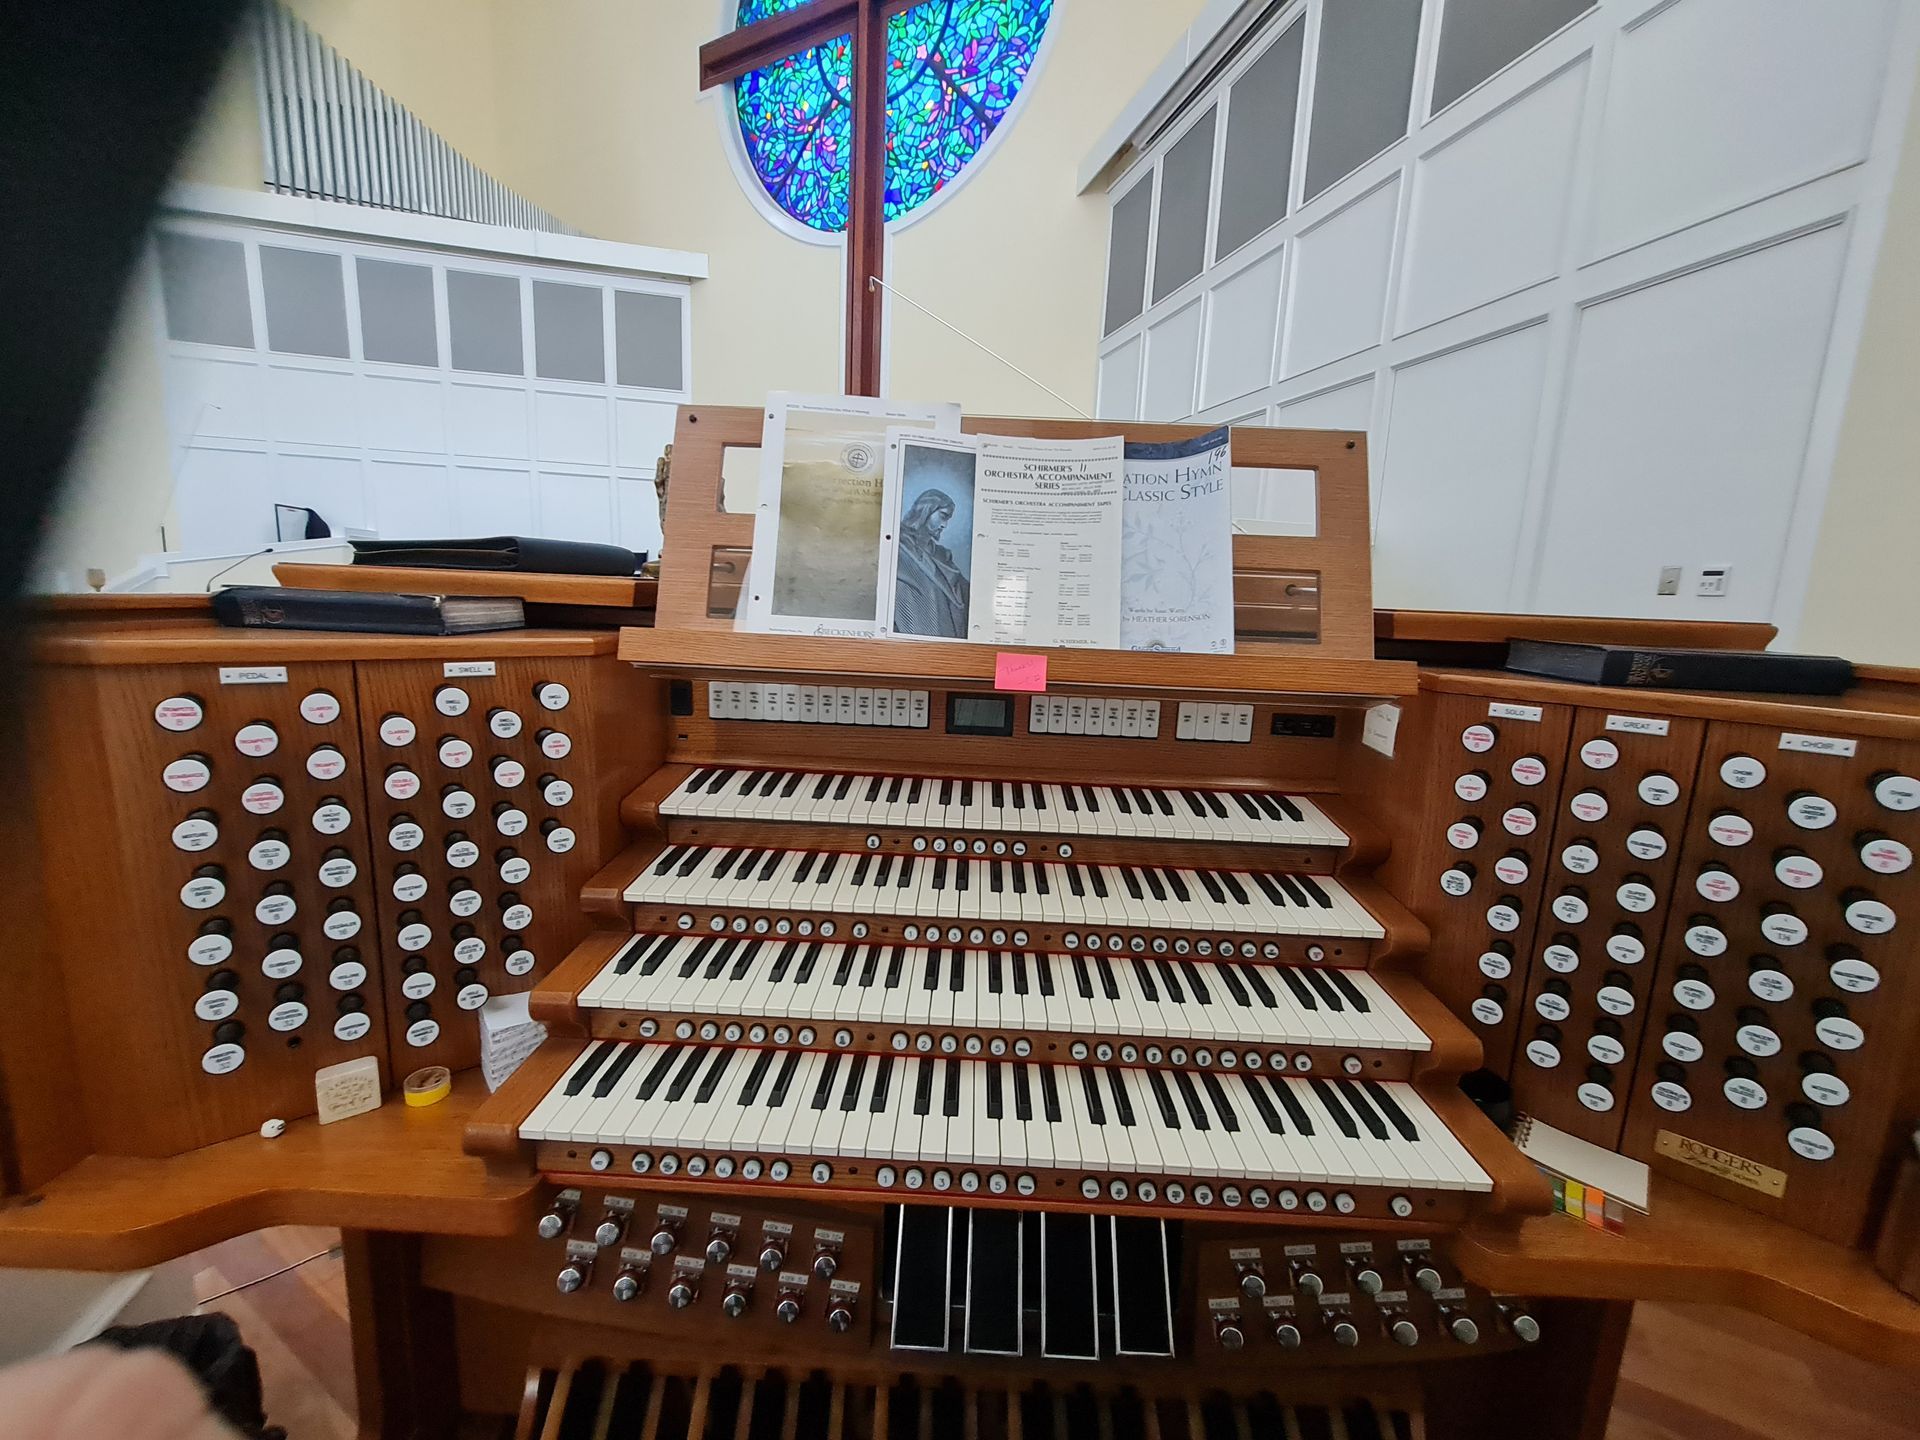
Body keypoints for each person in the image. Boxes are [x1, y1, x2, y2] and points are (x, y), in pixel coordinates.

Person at [893, 488, 969, 638]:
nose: (944, 525)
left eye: (948, 519)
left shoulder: (942, 555)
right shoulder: (900, 546)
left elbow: (963, 591)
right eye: (943, 516)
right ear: (927, 510)